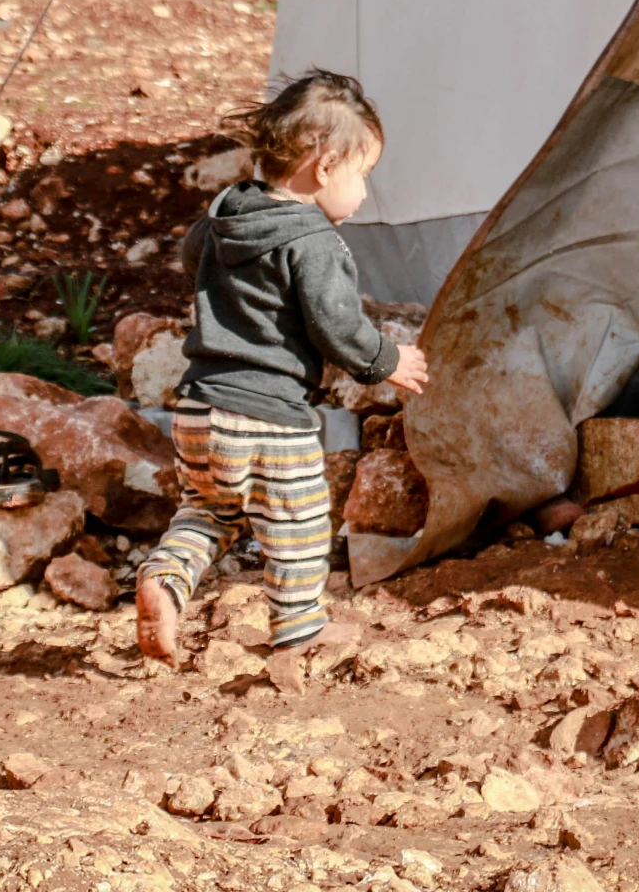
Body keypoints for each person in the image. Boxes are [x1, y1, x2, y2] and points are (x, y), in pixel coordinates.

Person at [135, 68, 431, 689]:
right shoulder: (315, 242)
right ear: (324, 169)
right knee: (296, 524)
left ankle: (164, 578)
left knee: (208, 511)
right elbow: (336, 324)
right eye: (363, 177)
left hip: (199, 410)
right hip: (271, 416)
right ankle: (298, 633)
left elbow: (193, 258)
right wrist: (387, 361)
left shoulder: (224, 217)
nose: (363, 193)